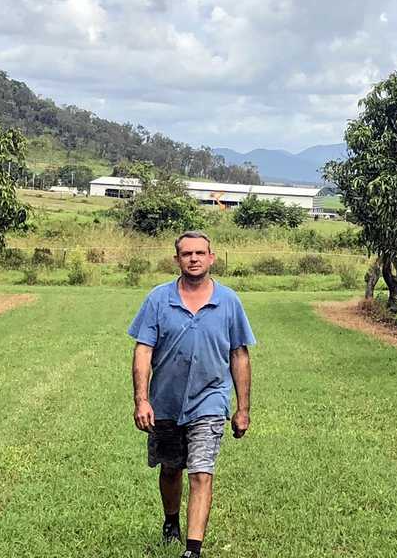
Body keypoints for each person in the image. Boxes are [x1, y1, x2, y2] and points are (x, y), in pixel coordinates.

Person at [128, 230, 255, 558]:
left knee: (201, 471)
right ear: (177, 260)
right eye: (187, 254)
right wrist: (141, 399)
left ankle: (192, 550)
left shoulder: (229, 301)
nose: (194, 259)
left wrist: (242, 408)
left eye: (200, 253)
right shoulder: (158, 299)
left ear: (212, 258)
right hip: (165, 401)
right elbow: (143, 350)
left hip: (210, 400)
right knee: (171, 469)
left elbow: (239, 355)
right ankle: (171, 522)